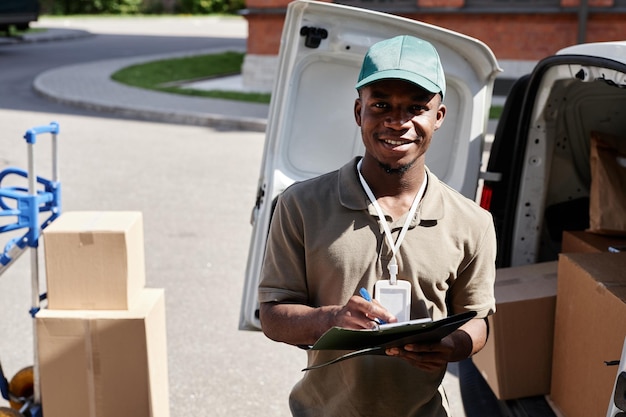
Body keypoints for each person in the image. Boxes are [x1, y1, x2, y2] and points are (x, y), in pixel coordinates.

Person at [258, 34, 496, 417]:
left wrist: (451, 347)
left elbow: (478, 319)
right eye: (381, 104)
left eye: (416, 107)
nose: (397, 122)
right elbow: (272, 316)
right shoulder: (300, 205)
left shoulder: (473, 222)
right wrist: (331, 320)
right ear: (359, 112)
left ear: (439, 116)